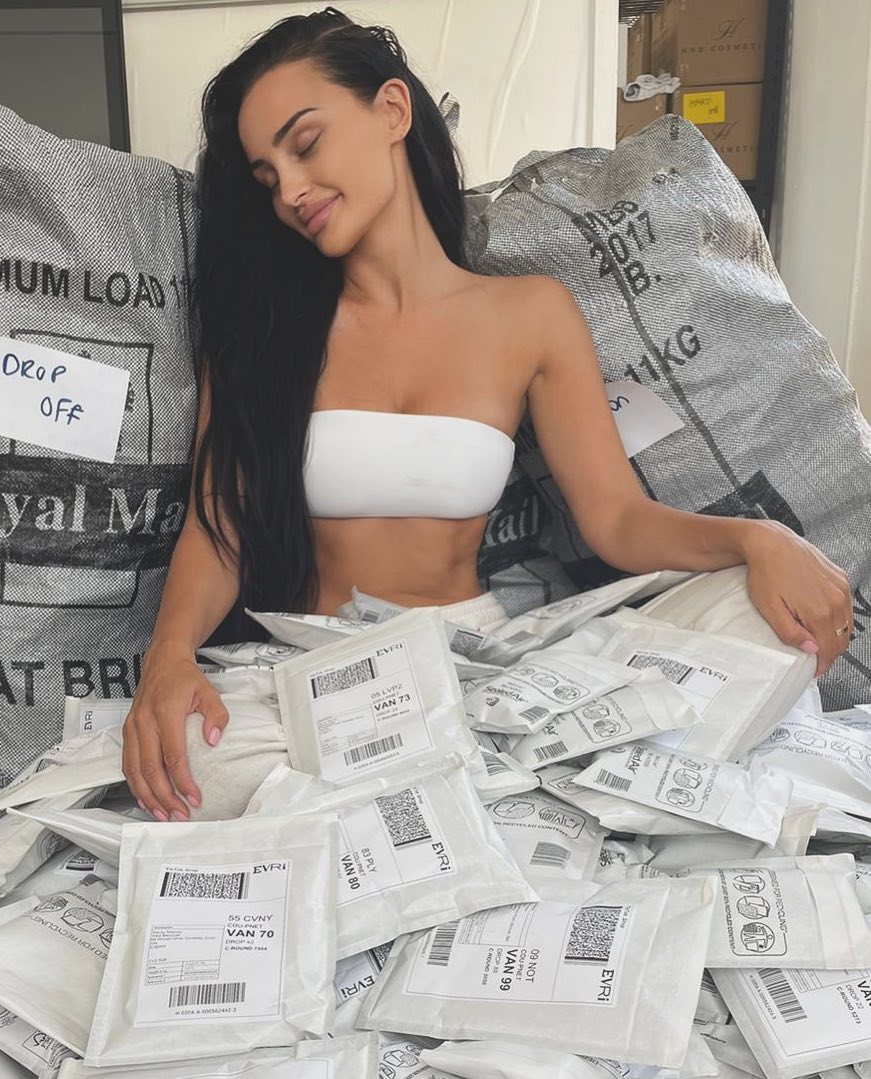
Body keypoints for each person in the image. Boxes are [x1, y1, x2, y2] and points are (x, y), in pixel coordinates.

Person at [122, 7, 853, 822]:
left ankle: (442, 801)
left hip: (477, 665)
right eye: (267, 178)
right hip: (329, 674)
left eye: (306, 144)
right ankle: (498, 802)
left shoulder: (527, 313)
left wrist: (757, 538)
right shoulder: (263, 333)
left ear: (390, 110)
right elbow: (217, 522)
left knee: (761, 619)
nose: (290, 191)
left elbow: (616, 520)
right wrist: (168, 656)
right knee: (191, 756)